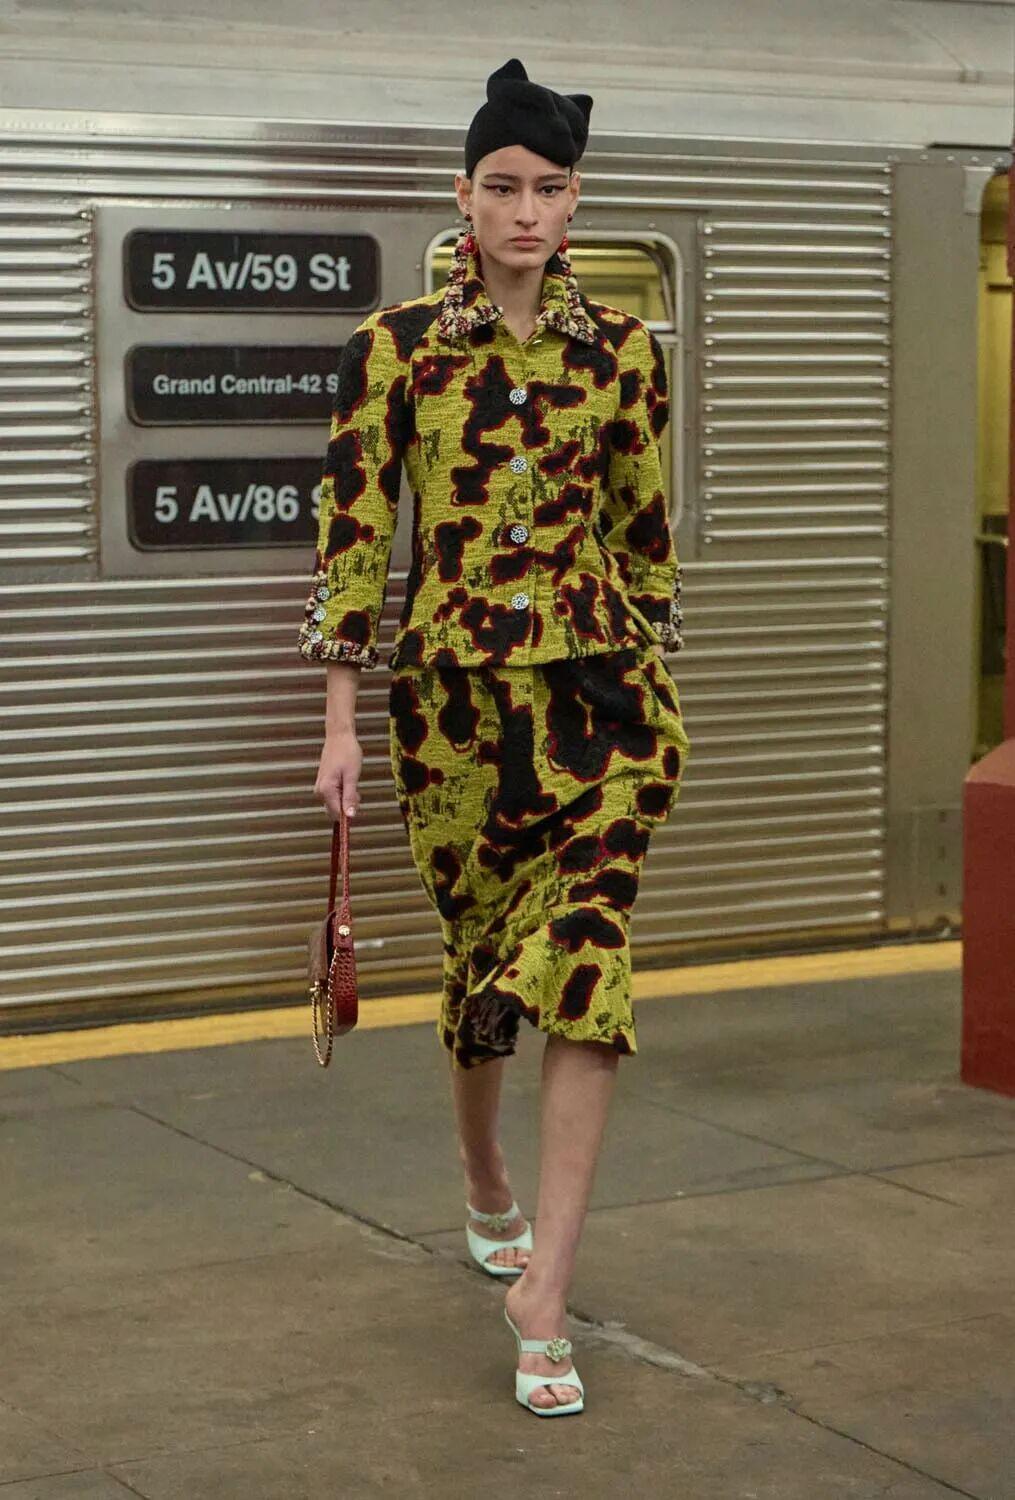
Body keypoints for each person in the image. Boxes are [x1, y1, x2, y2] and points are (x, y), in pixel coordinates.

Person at [298, 57, 691, 1416]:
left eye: (551, 188)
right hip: (458, 716)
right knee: (482, 980)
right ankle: (484, 1183)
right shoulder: (395, 348)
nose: (528, 211)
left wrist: (652, 662)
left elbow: (643, 532)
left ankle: (548, 1292)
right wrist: (341, 725)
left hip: (601, 704)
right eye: (505, 187)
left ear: (577, 203)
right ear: (462, 197)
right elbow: (357, 541)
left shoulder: (622, 353)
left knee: (589, 957)